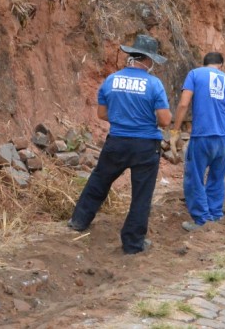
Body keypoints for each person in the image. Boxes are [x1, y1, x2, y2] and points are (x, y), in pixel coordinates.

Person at [67, 35, 171, 254]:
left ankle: (79, 220)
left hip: (117, 141)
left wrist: (123, 119)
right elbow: (164, 120)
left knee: (100, 180)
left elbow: (102, 113)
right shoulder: (154, 84)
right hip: (145, 145)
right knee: (141, 194)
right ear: (149, 60)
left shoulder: (111, 80)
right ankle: (133, 243)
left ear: (131, 56)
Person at [171, 52, 225, 232]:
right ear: (221, 65)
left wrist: (175, 130)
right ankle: (215, 214)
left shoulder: (195, 74)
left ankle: (202, 220)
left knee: (194, 178)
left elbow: (183, 104)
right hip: (222, 140)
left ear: (204, 64)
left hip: (202, 137)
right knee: (217, 178)